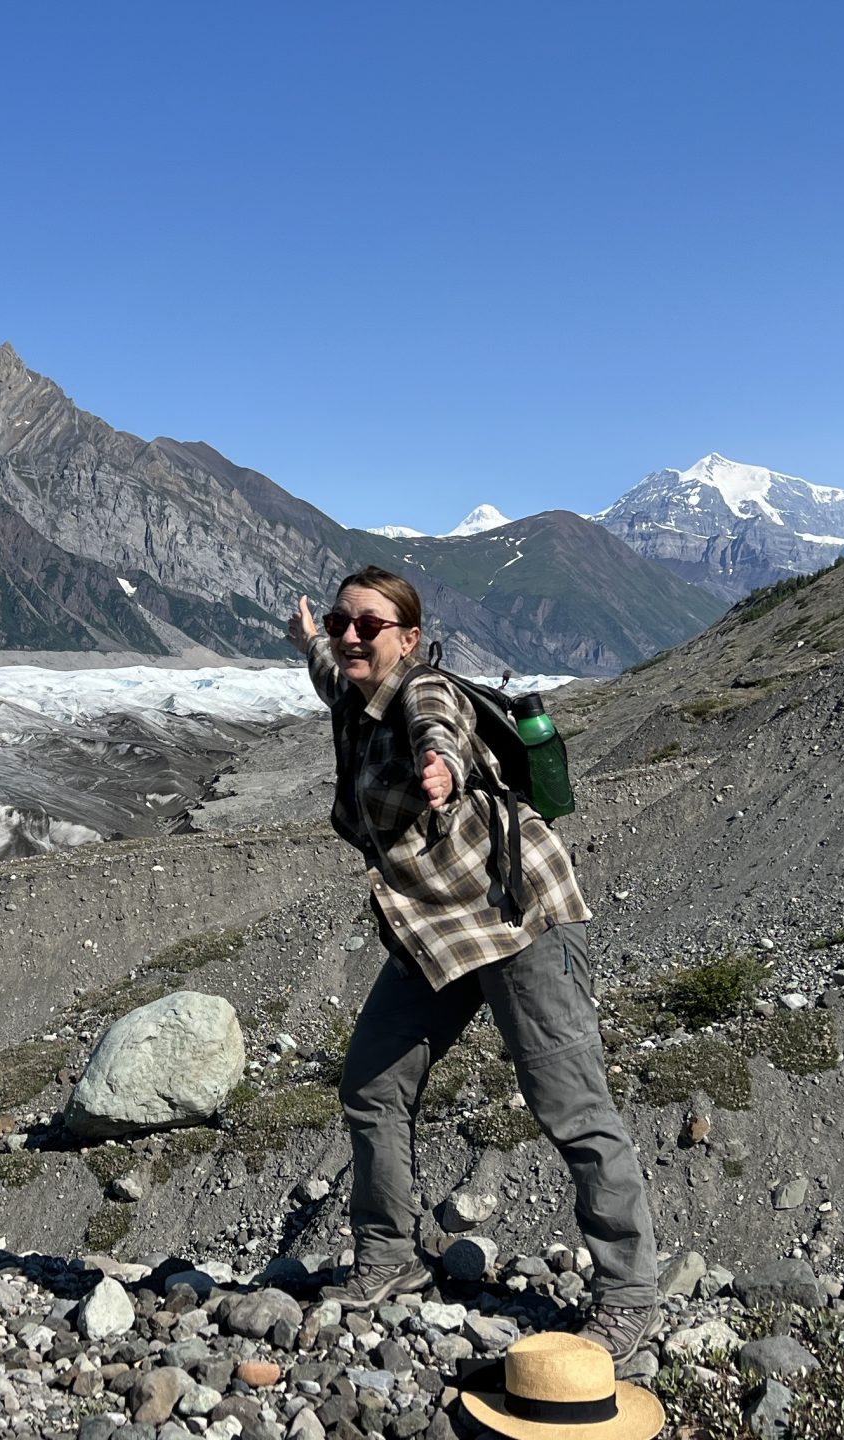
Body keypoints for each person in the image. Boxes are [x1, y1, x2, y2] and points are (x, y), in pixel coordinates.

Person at [287, 565, 663, 1370]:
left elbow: (441, 729)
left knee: (571, 1106)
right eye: (341, 619)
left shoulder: (425, 693)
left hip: (517, 917)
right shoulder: (353, 684)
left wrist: (444, 770)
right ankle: (389, 1258)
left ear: (410, 639)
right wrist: (310, 640)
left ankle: (630, 1300)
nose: (353, 634)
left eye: (370, 626)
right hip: (442, 932)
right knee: (372, 1084)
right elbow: (330, 667)